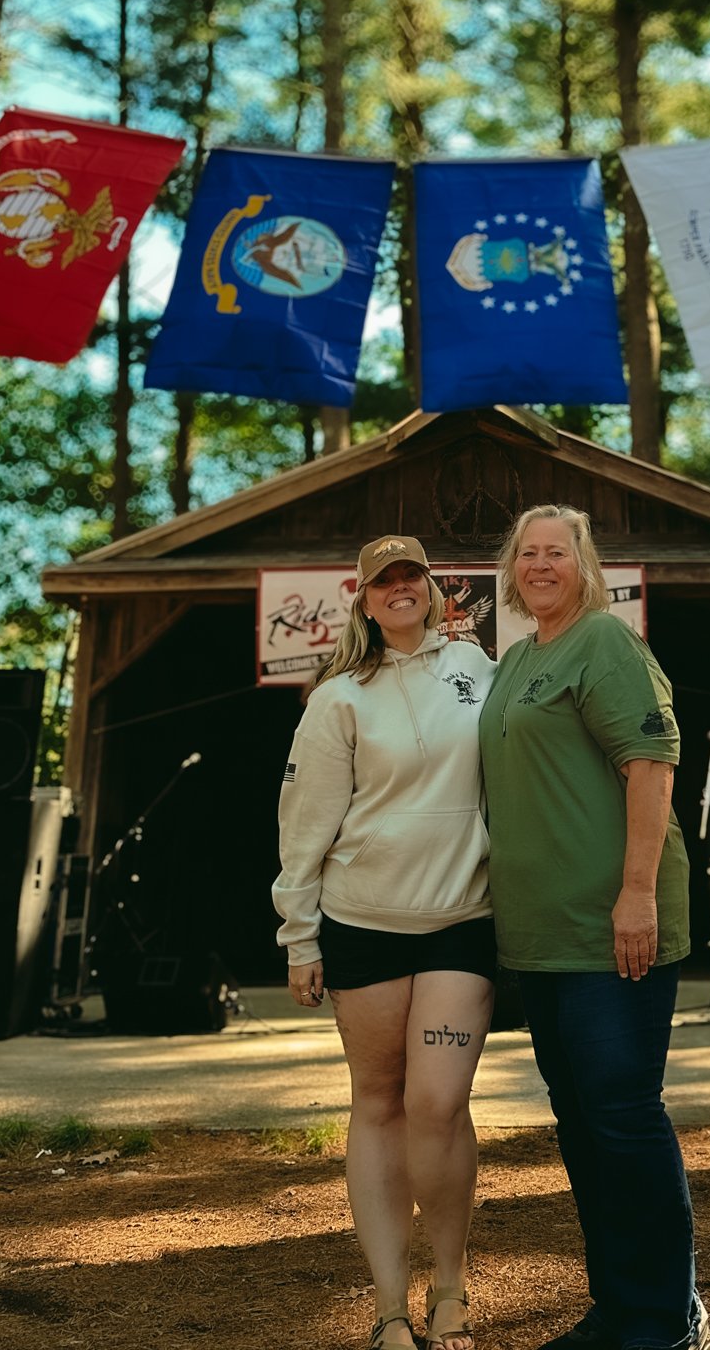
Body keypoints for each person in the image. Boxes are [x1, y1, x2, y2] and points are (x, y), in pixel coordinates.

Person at [480, 504, 710, 1350]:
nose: (542, 564)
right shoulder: (512, 664)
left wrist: (638, 893)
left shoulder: (608, 644)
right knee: (580, 1123)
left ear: (587, 565)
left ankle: (668, 1320)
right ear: (511, 571)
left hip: (614, 926)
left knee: (621, 1115)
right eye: (528, 553)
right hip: (541, 936)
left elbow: (651, 768)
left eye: (559, 552)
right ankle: (622, 1308)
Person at [275, 535, 496, 1350]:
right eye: (383, 581)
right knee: (377, 1103)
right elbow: (303, 829)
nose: (400, 589)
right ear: (364, 600)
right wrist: (300, 937)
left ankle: (451, 1286)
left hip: (461, 922)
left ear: (436, 591)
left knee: (437, 1103)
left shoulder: (482, 675)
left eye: (413, 577)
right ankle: (390, 1309)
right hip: (361, 925)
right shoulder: (339, 700)